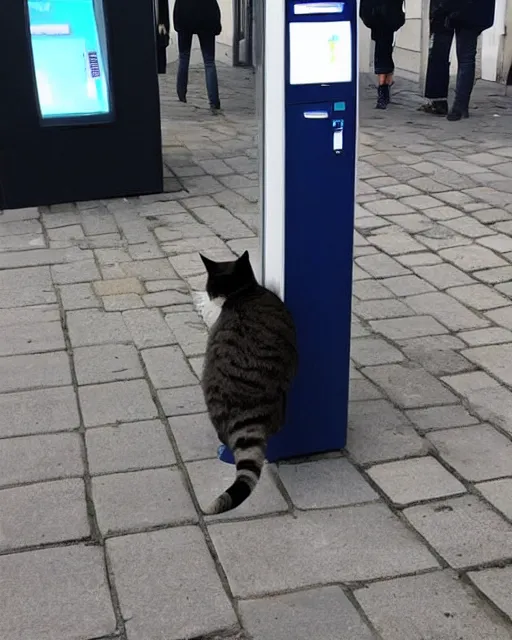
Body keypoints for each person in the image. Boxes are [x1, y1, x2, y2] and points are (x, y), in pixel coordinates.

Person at [420, 0, 497, 121]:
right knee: (467, 58)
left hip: (458, 10)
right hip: (476, 11)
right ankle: (461, 105)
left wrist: (441, 8)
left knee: (459, 57)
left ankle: (453, 105)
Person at [172, 0, 222, 113]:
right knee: (209, 62)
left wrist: (177, 23)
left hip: (185, 17)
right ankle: (214, 101)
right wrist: (217, 25)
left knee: (184, 58)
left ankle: (181, 94)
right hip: (206, 19)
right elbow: (213, 5)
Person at [359, 0, 405, 109]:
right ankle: (384, 89)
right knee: (384, 53)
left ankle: (383, 89)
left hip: (384, 21)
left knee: (383, 54)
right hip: (382, 21)